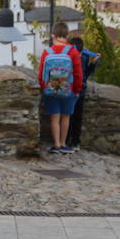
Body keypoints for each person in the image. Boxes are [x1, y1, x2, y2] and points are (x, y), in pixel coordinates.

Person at [39, 22, 83, 154]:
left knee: (54, 117)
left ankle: (56, 145)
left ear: (53, 35)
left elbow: (41, 74)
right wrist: (76, 89)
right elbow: (78, 74)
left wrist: (44, 87)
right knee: (65, 117)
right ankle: (63, 144)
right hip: (68, 89)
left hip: (51, 90)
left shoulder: (47, 52)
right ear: (67, 35)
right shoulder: (73, 51)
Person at [65, 35, 99, 150]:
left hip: (68, 88)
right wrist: (94, 63)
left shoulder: (67, 55)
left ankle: (66, 140)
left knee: (67, 115)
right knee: (77, 117)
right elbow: (85, 75)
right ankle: (75, 142)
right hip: (80, 89)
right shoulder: (84, 57)